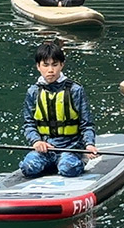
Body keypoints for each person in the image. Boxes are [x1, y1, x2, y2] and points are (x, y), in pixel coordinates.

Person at [19, 42, 98, 178]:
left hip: (71, 147)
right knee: (29, 167)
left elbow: (87, 124)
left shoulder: (75, 90)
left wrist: (89, 144)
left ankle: (77, 160)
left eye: (55, 65)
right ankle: (50, 163)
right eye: (46, 65)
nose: (51, 70)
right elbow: (29, 124)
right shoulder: (33, 92)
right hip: (46, 148)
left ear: (62, 65)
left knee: (68, 169)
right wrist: (36, 141)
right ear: (38, 66)